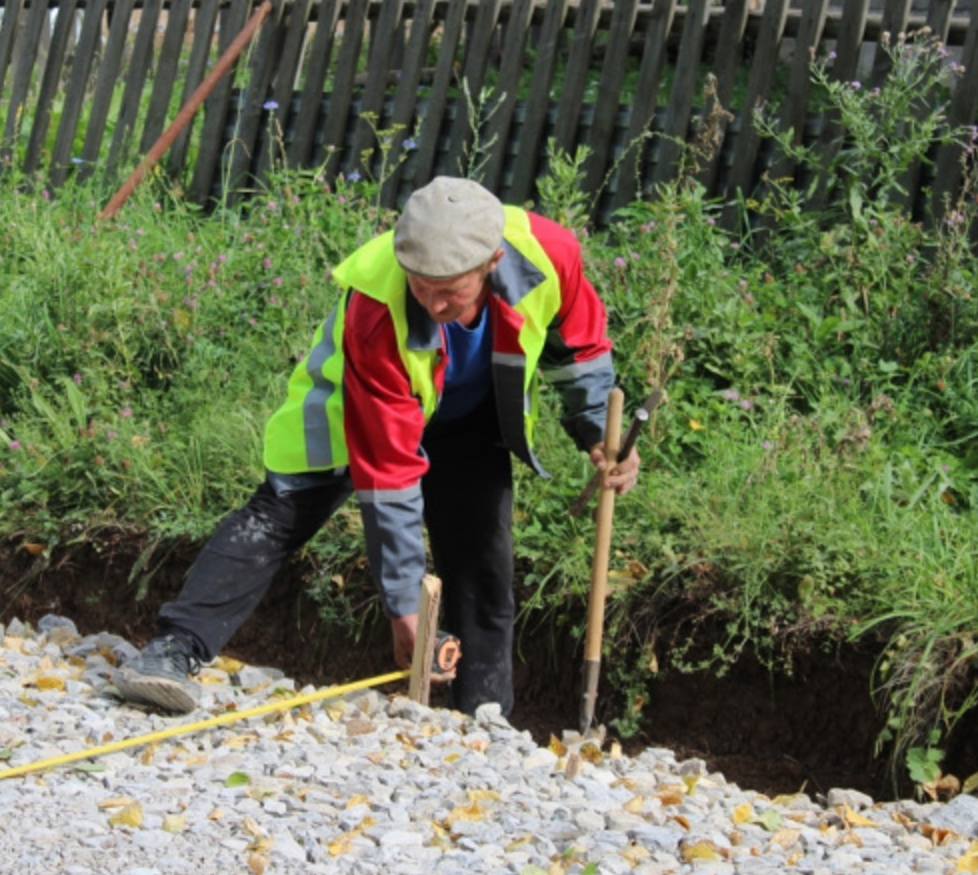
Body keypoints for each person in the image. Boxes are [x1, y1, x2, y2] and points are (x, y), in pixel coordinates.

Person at [112, 177, 639, 718]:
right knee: (278, 517)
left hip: (467, 412)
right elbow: (389, 473)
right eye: (421, 284)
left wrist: (599, 432)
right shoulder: (376, 305)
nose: (434, 302)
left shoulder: (550, 255)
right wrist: (405, 603)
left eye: (451, 290)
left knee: (484, 558)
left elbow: (579, 350)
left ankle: (483, 720)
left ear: (493, 261)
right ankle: (170, 652)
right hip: (357, 405)